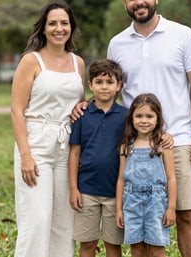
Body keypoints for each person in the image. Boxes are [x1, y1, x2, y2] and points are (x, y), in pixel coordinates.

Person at [73, 1, 191, 256]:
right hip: (133, 144)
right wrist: (86, 105)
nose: (139, 2)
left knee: (185, 215)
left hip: (177, 141)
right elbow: (110, 85)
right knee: (139, 217)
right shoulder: (117, 43)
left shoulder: (182, 35)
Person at [10, 1, 85, 256]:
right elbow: (17, 110)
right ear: (43, 28)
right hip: (37, 143)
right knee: (37, 219)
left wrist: (80, 108)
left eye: (64, 23)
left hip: (66, 147)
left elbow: (78, 102)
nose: (58, 28)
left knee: (64, 222)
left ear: (71, 27)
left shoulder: (78, 64)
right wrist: (26, 155)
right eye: (52, 23)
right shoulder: (31, 61)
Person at [68, 59, 126, 257]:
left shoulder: (126, 116)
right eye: (99, 82)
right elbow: (74, 153)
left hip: (115, 192)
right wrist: (74, 188)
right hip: (87, 190)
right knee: (87, 244)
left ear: (119, 85)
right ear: (90, 85)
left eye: (110, 82)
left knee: (113, 245)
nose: (104, 87)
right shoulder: (82, 116)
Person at [116, 93, 177, 257]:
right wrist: (119, 210)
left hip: (156, 203)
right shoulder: (126, 147)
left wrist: (171, 208)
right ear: (132, 118)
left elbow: (171, 178)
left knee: (157, 248)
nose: (144, 121)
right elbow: (121, 179)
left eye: (149, 116)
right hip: (131, 203)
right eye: (139, 116)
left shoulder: (163, 145)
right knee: (137, 249)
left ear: (158, 118)